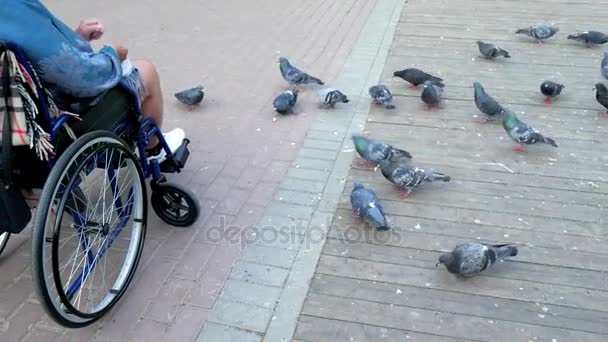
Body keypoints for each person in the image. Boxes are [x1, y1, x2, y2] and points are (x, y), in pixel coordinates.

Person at [0, 0, 184, 161]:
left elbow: (37, 54)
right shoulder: (12, 8)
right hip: (56, 124)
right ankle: (154, 150)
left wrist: (75, 38)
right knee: (146, 71)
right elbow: (82, 79)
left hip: (10, 129)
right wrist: (112, 54)